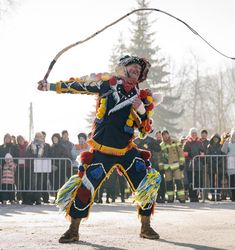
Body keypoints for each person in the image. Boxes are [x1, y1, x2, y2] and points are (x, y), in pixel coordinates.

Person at [38, 55, 161, 242]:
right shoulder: (106, 85)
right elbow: (78, 86)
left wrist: (142, 111)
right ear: (123, 69)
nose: (136, 70)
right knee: (85, 187)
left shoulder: (143, 97)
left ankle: (146, 226)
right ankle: (73, 229)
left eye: (139, 69)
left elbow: (145, 131)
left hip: (126, 150)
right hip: (102, 150)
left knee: (146, 183)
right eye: (133, 67)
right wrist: (50, 86)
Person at [159, 130, 185, 203]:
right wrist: (161, 168)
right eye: (163, 135)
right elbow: (160, 157)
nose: (165, 136)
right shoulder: (161, 145)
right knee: (169, 183)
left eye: (166, 134)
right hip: (167, 167)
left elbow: (181, 153)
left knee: (179, 182)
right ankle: (170, 198)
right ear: (162, 136)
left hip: (176, 166)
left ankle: (182, 198)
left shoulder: (175, 142)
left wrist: (182, 163)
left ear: (168, 134)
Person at [183, 128, 205, 202]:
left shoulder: (199, 142)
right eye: (192, 133)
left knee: (197, 181)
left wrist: (201, 156)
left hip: (198, 165)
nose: (194, 135)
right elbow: (184, 153)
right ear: (190, 134)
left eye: (195, 133)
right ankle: (191, 196)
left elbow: (202, 151)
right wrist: (190, 155)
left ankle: (196, 195)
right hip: (190, 165)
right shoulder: (187, 142)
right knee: (190, 181)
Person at [206, 134, 224, 201]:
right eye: (214, 138)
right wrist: (213, 162)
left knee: (219, 181)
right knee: (211, 181)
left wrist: (219, 162)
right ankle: (213, 195)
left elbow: (223, 155)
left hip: (219, 166)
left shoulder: (221, 146)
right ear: (212, 139)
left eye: (217, 138)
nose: (216, 139)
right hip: (211, 165)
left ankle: (218, 195)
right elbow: (207, 156)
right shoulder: (209, 146)